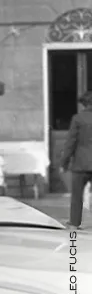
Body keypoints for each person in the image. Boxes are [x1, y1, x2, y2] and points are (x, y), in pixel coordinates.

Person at [60, 91, 92, 229]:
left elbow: (70, 143)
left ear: (84, 104)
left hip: (80, 164)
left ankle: (74, 222)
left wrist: (64, 163)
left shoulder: (78, 119)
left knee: (77, 195)